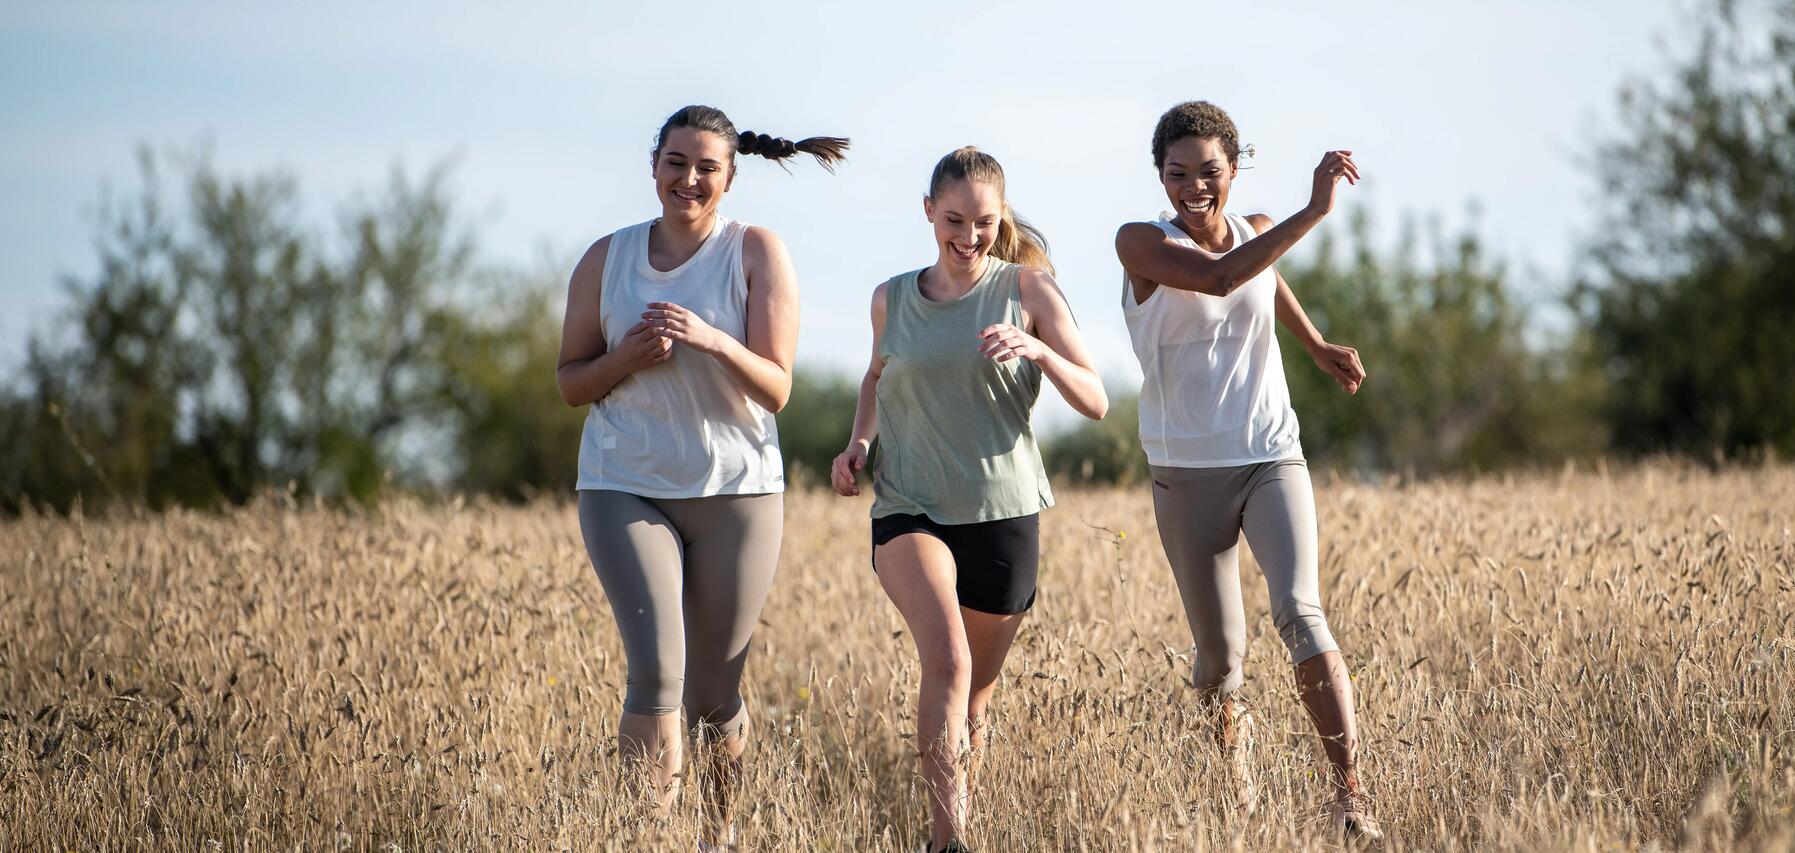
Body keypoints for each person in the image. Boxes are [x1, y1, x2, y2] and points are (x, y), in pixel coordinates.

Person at [556, 104, 846, 847]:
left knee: (715, 696)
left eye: (706, 167)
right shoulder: (605, 258)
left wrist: (712, 339)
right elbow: (571, 381)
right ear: (653, 167)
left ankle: (720, 834)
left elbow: (776, 388)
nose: (689, 178)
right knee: (656, 672)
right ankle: (652, 837)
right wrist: (630, 355)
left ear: (730, 176)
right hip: (626, 480)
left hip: (737, 488)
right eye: (676, 163)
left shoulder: (756, 252)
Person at [1113, 100, 1382, 840]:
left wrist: (1318, 343)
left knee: (1300, 611)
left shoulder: (1259, 229)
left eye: (1210, 173)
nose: (1194, 188)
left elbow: (1262, 274)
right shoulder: (1139, 242)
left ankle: (1351, 793)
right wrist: (1315, 212)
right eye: (1178, 175)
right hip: (1184, 470)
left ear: (1235, 168)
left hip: (1270, 451)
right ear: (1159, 175)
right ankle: (1238, 795)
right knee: (1219, 659)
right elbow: (1227, 276)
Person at [831, 146, 1107, 853]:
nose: (968, 235)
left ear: (1001, 217)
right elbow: (875, 377)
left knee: (975, 698)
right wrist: (859, 444)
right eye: (953, 219)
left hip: (1003, 512)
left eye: (984, 221)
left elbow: (1097, 399)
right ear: (928, 212)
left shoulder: (1029, 290)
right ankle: (948, 842)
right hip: (909, 505)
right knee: (948, 663)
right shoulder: (891, 297)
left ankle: (958, 814)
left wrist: (1039, 350)